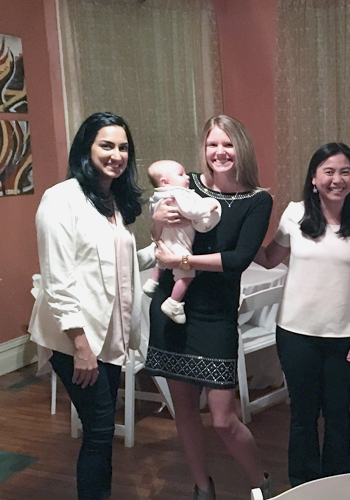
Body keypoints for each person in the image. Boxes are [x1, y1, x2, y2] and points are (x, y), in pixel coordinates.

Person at [144, 115, 273, 500]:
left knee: (222, 420)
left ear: (241, 149)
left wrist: (185, 264)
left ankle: (262, 485)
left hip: (214, 316)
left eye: (228, 144)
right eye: (213, 145)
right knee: (183, 411)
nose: (220, 152)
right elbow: (160, 238)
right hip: (172, 309)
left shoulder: (257, 200)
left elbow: (237, 259)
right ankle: (202, 487)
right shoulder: (186, 185)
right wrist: (154, 224)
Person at [29, 112, 145, 500]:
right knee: (97, 429)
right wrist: (81, 345)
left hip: (108, 336)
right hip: (75, 339)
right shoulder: (61, 199)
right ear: (86, 148)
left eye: (123, 147)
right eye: (106, 145)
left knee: (102, 428)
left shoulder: (111, 200)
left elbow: (116, 266)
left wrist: (160, 253)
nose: (116, 154)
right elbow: (58, 279)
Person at [254, 142, 350, 486]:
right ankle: (304, 485)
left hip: (344, 336)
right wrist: (235, 235)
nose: (336, 179)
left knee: (339, 414)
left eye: (344, 171)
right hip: (296, 334)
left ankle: (339, 485)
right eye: (328, 171)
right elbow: (269, 258)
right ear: (314, 178)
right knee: (303, 414)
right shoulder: (295, 214)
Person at [142, 160, 221, 324]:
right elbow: (191, 211)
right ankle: (174, 303)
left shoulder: (157, 196)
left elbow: (154, 216)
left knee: (161, 261)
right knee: (186, 274)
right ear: (165, 182)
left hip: (165, 241)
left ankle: (152, 281)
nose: (187, 177)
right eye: (181, 174)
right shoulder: (178, 194)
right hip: (179, 245)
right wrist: (208, 207)